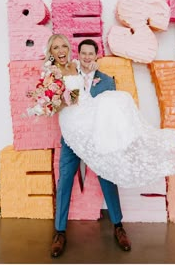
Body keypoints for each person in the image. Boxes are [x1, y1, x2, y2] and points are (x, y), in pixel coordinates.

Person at [48, 35, 133, 257]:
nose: (87, 57)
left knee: (107, 178)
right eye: (83, 53)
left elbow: (112, 113)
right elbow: (58, 100)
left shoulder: (106, 80)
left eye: (91, 53)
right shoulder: (67, 74)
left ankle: (118, 226)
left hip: (97, 140)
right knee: (65, 179)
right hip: (72, 139)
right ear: (79, 55)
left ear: (97, 56)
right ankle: (59, 232)